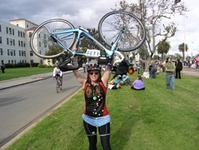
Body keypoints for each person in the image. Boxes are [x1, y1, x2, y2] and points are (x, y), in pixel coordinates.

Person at [71, 46, 112, 150]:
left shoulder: (103, 82)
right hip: (88, 119)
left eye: (96, 73)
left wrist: (111, 53)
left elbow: (109, 68)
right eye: (91, 73)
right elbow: (75, 70)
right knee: (92, 145)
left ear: (99, 73)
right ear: (88, 74)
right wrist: (74, 53)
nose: (94, 75)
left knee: (106, 146)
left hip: (103, 118)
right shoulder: (85, 83)